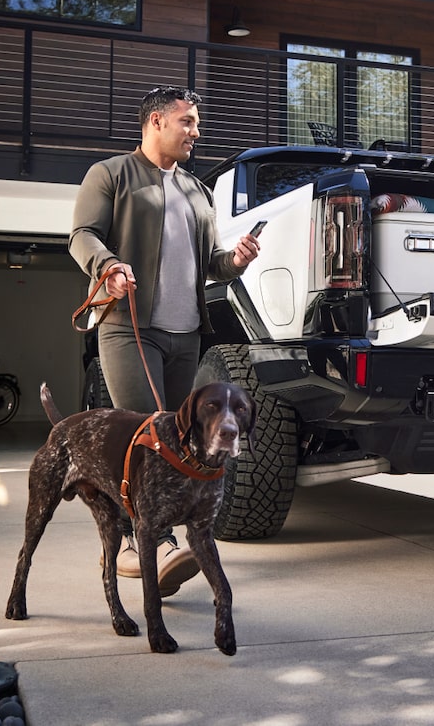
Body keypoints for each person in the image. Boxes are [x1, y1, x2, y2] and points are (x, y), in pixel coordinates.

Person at [68, 86, 260, 597]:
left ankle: (170, 533)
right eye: (188, 122)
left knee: (180, 437)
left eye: (196, 123)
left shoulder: (199, 190)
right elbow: (82, 234)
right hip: (130, 325)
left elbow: (210, 264)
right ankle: (140, 542)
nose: (196, 132)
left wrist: (235, 260)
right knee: (146, 429)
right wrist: (108, 266)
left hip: (185, 332)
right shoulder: (111, 175)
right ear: (156, 121)